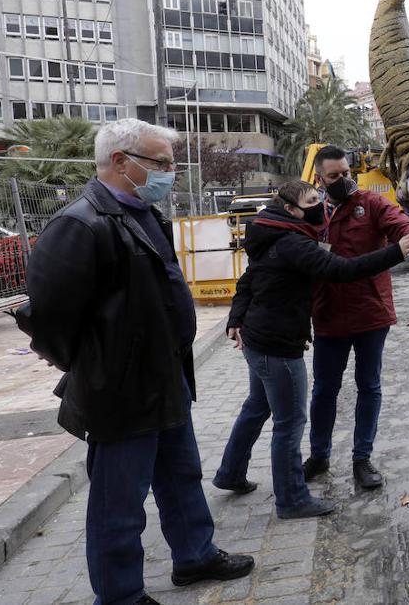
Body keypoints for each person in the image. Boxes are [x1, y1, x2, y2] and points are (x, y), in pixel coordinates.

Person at [19, 119, 253, 605]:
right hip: (120, 392)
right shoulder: (81, 223)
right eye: (161, 163)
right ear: (121, 162)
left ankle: (195, 555)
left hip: (165, 377)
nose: (170, 172)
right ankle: (121, 594)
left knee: (181, 475)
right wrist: (90, 363)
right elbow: (50, 316)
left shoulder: (145, 214)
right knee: (119, 503)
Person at [215, 180, 409, 518]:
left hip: (260, 337)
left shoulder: (272, 231)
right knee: (290, 422)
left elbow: (250, 279)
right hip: (278, 344)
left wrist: (235, 318)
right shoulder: (293, 242)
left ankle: (230, 472)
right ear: (292, 209)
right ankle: (292, 499)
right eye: (313, 199)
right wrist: (396, 251)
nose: (321, 203)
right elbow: (341, 270)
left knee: (257, 406)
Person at [303, 146, 409, 489]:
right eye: (334, 176)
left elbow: (401, 225)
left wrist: (408, 234)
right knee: (324, 389)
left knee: (369, 386)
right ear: (319, 178)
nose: (343, 180)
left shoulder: (372, 203)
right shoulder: (312, 212)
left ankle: (361, 458)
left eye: (346, 173)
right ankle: (319, 456)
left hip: (371, 313)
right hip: (328, 316)